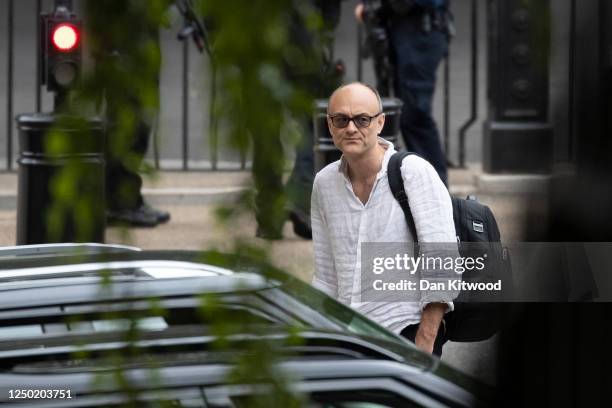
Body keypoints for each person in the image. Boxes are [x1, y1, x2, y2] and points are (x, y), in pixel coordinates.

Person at [311, 82, 455, 355]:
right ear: (330, 126)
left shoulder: (414, 171)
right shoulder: (324, 183)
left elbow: (443, 263)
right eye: (341, 120)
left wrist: (424, 341)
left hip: (406, 331)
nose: (351, 128)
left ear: (380, 123)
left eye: (362, 119)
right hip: (349, 337)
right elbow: (326, 276)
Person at [87, 1, 171, 228]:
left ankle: (126, 198)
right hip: (126, 35)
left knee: (137, 118)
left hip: (135, 31)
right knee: (128, 119)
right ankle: (119, 202)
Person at [355, 0, 451, 185]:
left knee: (415, 114)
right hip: (403, 27)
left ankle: (436, 190)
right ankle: (429, 188)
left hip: (421, 29)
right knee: (407, 114)